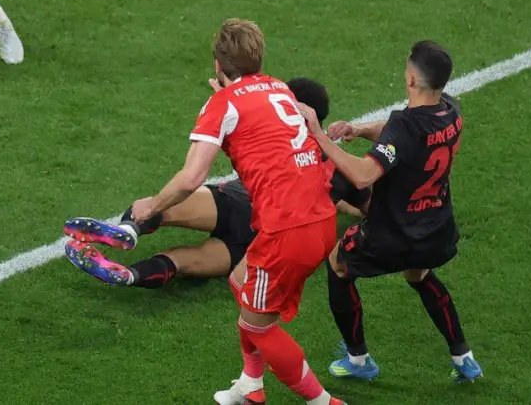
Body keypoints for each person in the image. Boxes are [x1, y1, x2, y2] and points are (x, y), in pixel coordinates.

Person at [117, 20, 345, 405]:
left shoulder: (222, 104)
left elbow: (192, 178)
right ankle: (250, 387)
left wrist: (151, 206)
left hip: (285, 231)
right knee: (240, 281)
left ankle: (323, 401)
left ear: (218, 65)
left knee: (259, 326)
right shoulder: (281, 89)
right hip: (321, 220)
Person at [63, 78, 368, 289]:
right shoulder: (339, 168)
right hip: (258, 245)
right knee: (180, 261)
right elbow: (365, 205)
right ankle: (130, 275)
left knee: (157, 207)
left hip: (236, 203)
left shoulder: (275, 136)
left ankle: (129, 230)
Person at [303, 40, 483, 384]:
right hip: (436, 228)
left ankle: (358, 360)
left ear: (412, 80)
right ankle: (464, 357)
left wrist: (319, 136)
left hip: (392, 235)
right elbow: (400, 134)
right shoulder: (451, 110)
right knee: (418, 275)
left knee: (338, 264)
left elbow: (362, 174)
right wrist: (359, 130)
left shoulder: (405, 126)